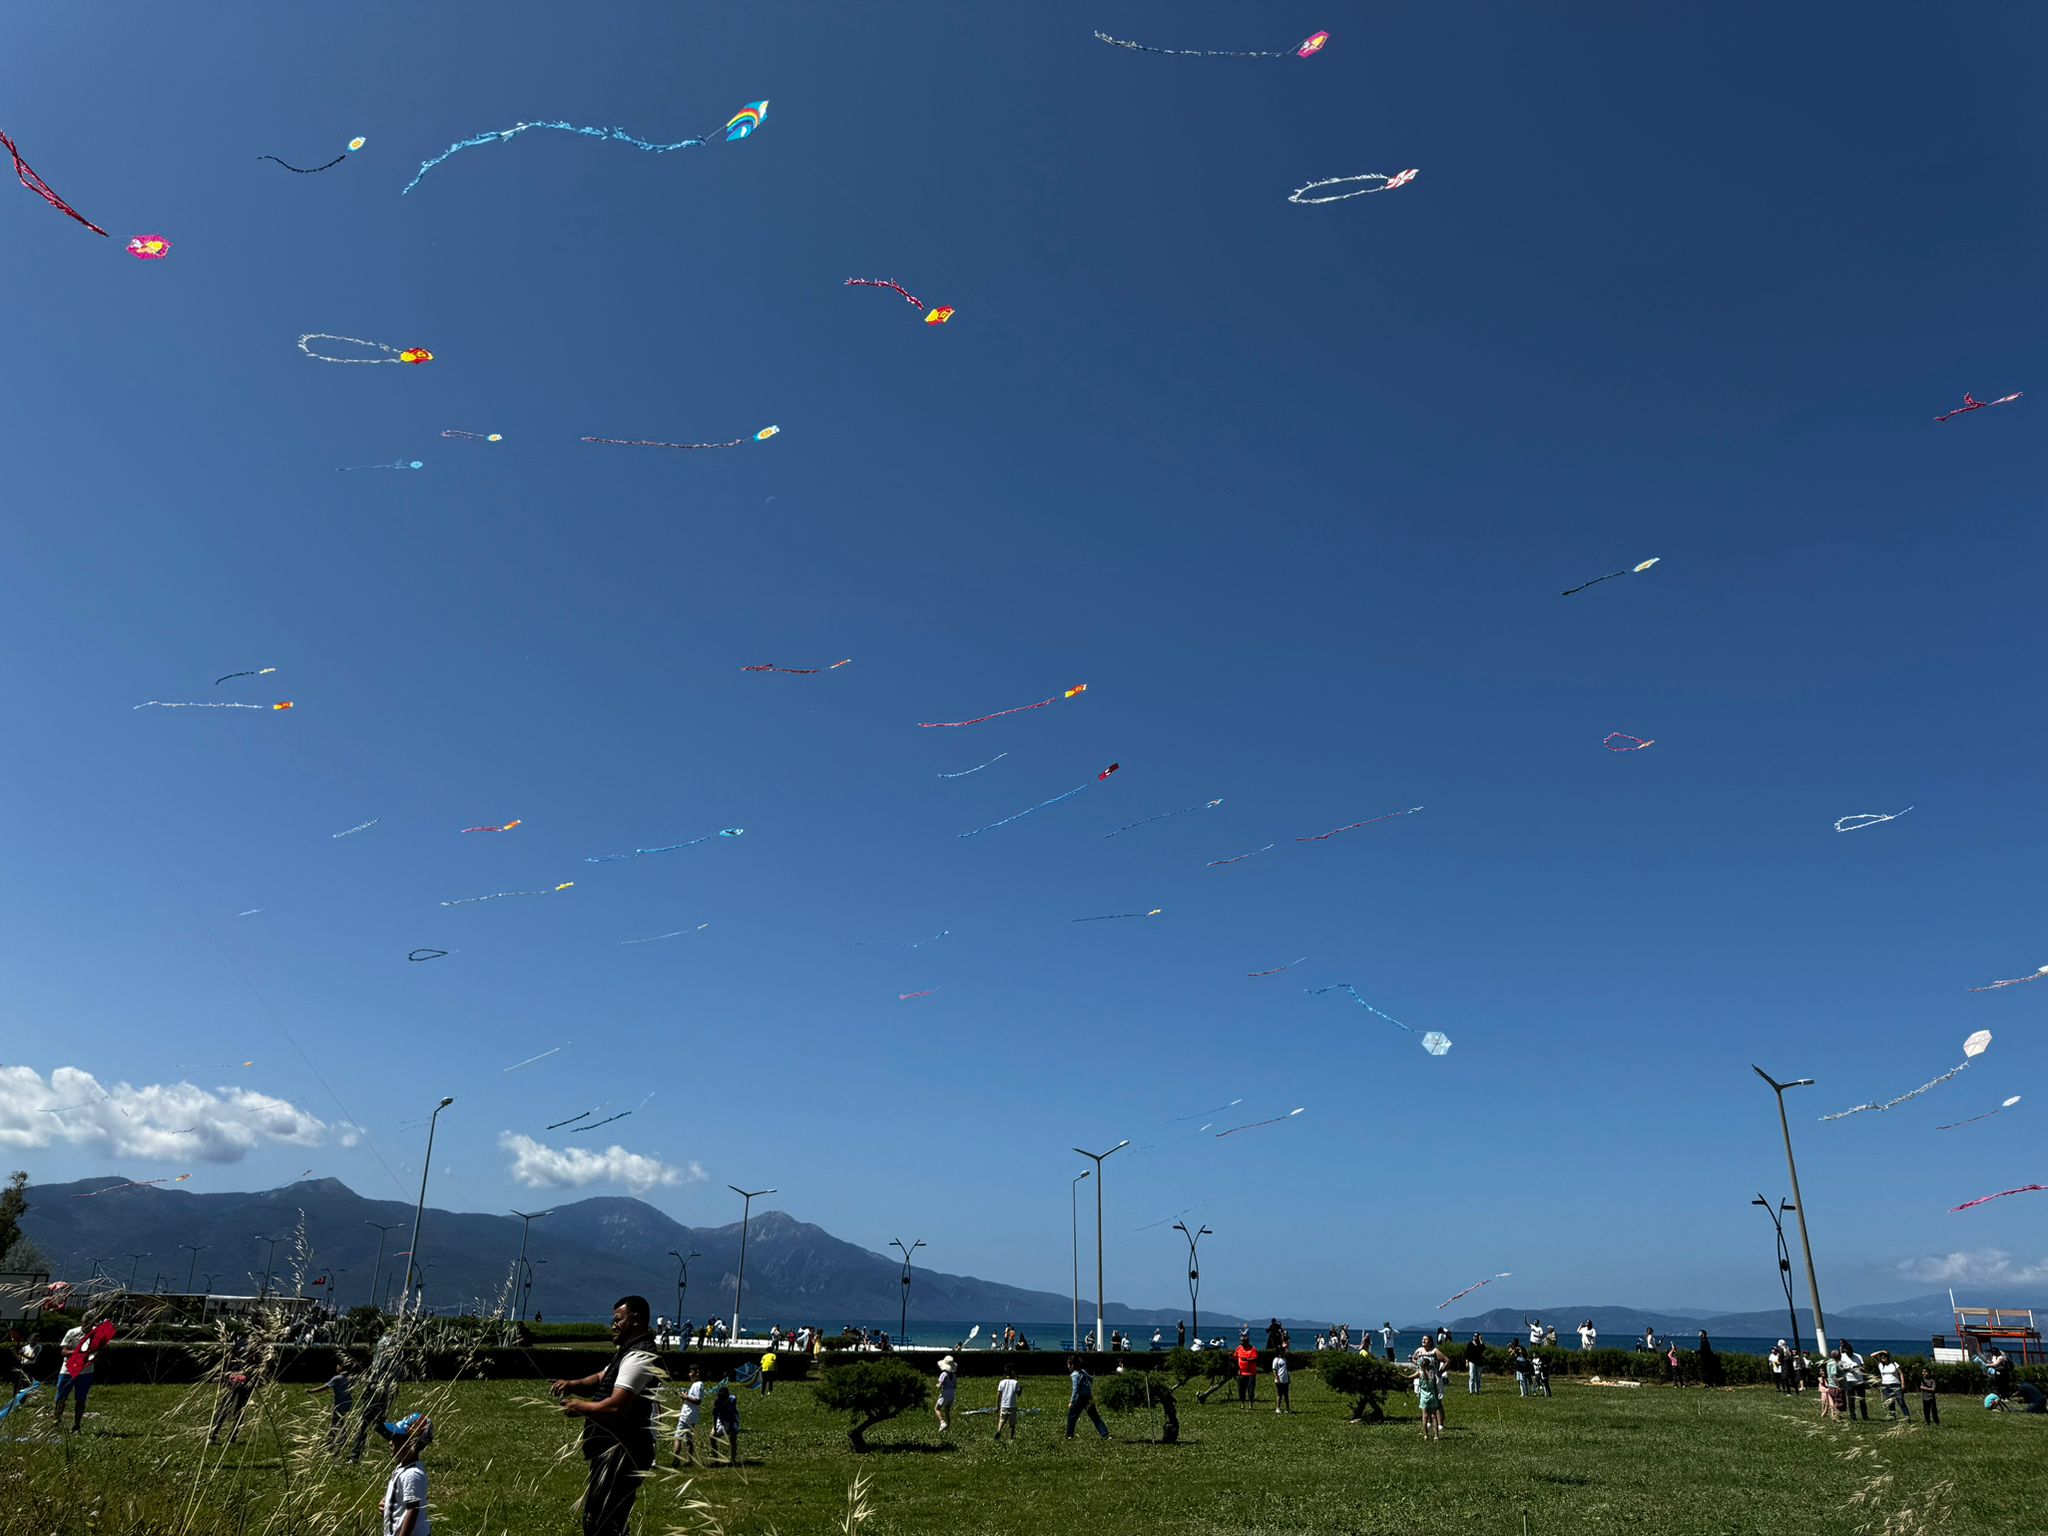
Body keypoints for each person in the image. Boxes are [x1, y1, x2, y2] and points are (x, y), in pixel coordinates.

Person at [552, 1295, 661, 1536]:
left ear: (635, 1321)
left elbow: (615, 1408)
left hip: (623, 1451)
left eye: (617, 1319)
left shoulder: (640, 1356)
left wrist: (579, 1407)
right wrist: (572, 1383)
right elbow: (601, 1378)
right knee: (599, 1518)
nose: (613, 1324)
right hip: (611, 1449)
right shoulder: (626, 1353)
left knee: (604, 1522)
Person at [53, 1315, 113, 1433]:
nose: (88, 1325)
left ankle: (77, 1426)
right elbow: (64, 1352)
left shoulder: (97, 1334)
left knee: (81, 1399)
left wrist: (97, 1354)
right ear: (82, 1322)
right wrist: (79, 1353)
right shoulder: (72, 1332)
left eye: (91, 1323)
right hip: (67, 1371)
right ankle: (56, 1423)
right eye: (85, 1323)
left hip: (85, 1372)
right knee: (61, 1398)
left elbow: (101, 1351)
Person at [379, 1413, 432, 1536]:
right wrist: (388, 1503)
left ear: (411, 1444)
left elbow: (413, 1509)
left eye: (396, 1438)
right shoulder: (402, 1468)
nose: (390, 1442)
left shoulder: (412, 1474)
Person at [209, 1335, 256, 1445]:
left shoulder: (239, 1341)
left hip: (233, 1378)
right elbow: (256, 1365)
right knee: (240, 1409)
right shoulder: (258, 1345)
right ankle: (233, 1438)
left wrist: (229, 1374)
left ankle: (213, 1435)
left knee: (225, 1406)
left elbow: (231, 1360)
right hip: (246, 1379)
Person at [308, 1364, 353, 1450]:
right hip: (348, 1402)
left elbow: (324, 1387)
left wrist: (311, 1391)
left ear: (340, 1367)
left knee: (335, 1422)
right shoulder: (350, 1378)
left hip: (340, 1403)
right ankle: (342, 1439)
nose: (336, 1367)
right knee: (341, 1421)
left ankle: (331, 1441)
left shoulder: (337, 1378)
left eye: (338, 1366)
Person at [1065, 1356, 1109, 1440]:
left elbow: (1075, 1389)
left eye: (1068, 1364)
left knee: (1072, 1415)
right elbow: (1091, 1379)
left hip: (1081, 1398)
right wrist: (1086, 1387)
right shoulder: (1083, 1371)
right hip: (1089, 1397)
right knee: (1094, 1416)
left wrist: (1072, 1402)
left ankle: (1069, 1435)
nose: (1068, 1366)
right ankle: (1105, 1434)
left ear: (1073, 1365)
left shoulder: (1075, 1375)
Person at [1412, 1343, 1446, 1441]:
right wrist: (1417, 1362)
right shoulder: (1419, 1350)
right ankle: (1429, 1429)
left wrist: (1439, 1372)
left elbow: (1446, 1360)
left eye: (1426, 1339)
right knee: (1426, 1412)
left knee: (1435, 1409)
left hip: (1431, 1386)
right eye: (1423, 1339)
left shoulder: (1434, 1351)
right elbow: (1414, 1358)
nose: (1423, 1341)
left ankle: (1439, 1425)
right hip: (1423, 1386)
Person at [672, 1365, 704, 1463]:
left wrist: (686, 1397)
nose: (689, 1374)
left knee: (678, 1437)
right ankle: (689, 1461)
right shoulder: (696, 1384)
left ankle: (676, 1460)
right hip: (692, 1416)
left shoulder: (698, 1384)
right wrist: (685, 1396)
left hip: (687, 1415)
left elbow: (698, 1401)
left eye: (691, 1372)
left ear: (697, 1373)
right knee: (689, 1439)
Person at [1875, 1352, 1910, 1421]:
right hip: (1885, 1385)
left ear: (1888, 1357)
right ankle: (1892, 1416)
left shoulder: (1894, 1364)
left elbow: (1901, 1374)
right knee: (1890, 1402)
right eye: (1881, 1357)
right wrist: (1882, 1351)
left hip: (1896, 1385)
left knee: (1900, 1401)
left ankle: (1907, 1416)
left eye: (1884, 1356)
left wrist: (1903, 1384)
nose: (1883, 1358)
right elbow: (1872, 1355)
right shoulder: (1880, 1365)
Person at [1840, 1342, 1869, 1420]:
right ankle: (1853, 1416)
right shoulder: (1842, 1357)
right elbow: (1840, 1368)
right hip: (1849, 1380)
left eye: (1851, 1352)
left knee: (1862, 1399)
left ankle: (1865, 1416)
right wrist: (1850, 1369)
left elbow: (1864, 1367)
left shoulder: (1858, 1356)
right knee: (1851, 1400)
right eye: (1848, 1352)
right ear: (1845, 1351)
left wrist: (1860, 1367)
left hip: (1860, 1380)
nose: (1850, 1354)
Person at [712, 1384, 740, 1462]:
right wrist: (715, 1428)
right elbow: (715, 1416)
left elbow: (732, 1413)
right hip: (721, 1420)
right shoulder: (717, 1402)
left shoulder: (732, 1400)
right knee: (712, 1437)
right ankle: (716, 1460)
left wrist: (731, 1427)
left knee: (733, 1438)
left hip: (732, 1419)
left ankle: (733, 1460)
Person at [994, 1369, 1021, 1441]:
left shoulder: (1001, 1382)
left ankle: (999, 1431)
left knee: (1001, 1420)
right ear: (1012, 1372)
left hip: (1003, 1405)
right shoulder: (1015, 1382)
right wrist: (1021, 1388)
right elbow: (1018, 1394)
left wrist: (997, 1406)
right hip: (1012, 1406)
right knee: (1012, 1424)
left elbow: (999, 1394)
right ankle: (1011, 1438)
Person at [934, 1354, 957, 1431]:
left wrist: (936, 1386)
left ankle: (942, 1422)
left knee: (937, 1409)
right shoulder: (954, 1375)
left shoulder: (943, 1374)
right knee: (947, 1410)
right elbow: (955, 1385)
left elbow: (940, 1385)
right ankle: (948, 1425)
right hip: (952, 1393)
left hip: (945, 1393)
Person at [1234, 1337, 1259, 1405]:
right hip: (1241, 1373)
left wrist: (1247, 1359)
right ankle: (1242, 1402)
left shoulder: (1253, 1349)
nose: (1241, 1343)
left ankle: (1250, 1403)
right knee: (1241, 1389)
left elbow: (1255, 1359)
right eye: (1241, 1341)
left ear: (1247, 1342)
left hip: (1251, 1373)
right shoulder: (1239, 1348)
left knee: (1250, 1389)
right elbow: (1235, 1357)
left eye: (1242, 1342)